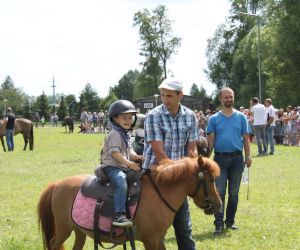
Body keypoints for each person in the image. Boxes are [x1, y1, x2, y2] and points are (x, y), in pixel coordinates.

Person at [143, 77, 199, 250]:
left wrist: (193, 167)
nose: (165, 100)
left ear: (180, 95)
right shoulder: (153, 116)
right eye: (162, 95)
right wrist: (179, 176)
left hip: (178, 180)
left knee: (184, 229)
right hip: (154, 178)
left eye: (169, 96)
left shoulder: (191, 117)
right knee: (155, 233)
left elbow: (192, 149)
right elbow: (159, 152)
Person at [206, 87, 252, 235]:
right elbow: (211, 141)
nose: (229, 99)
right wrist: (206, 159)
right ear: (220, 99)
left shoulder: (241, 117)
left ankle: (230, 222)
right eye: (226, 97)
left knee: (233, 193)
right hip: (219, 159)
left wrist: (248, 156)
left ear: (234, 98)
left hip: (237, 159)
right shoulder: (213, 119)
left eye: (231, 97)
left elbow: (246, 138)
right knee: (219, 193)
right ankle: (218, 223)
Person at [101, 100, 143, 227]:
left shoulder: (125, 133)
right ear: (115, 119)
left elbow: (129, 151)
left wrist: (138, 157)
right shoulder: (114, 133)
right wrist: (130, 164)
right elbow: (115, 154)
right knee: (121, 181)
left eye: (130, 118)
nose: (128, 120)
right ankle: (119, 215)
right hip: (112, 166)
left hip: (122, 165)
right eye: (124, 118)